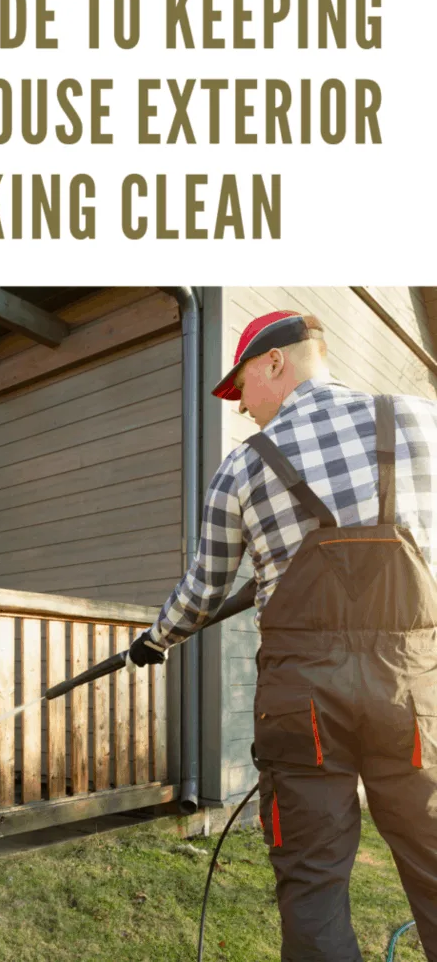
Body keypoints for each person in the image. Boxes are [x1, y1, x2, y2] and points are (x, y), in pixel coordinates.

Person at [128, 309, 437, 962]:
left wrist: (155, 639)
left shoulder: (242, 469)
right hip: (412, 691)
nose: (241, 409)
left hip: (303, 704)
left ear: (277, 360)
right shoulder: (418, 419)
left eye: (241, 388)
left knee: (312, 883)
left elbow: (202, 592)